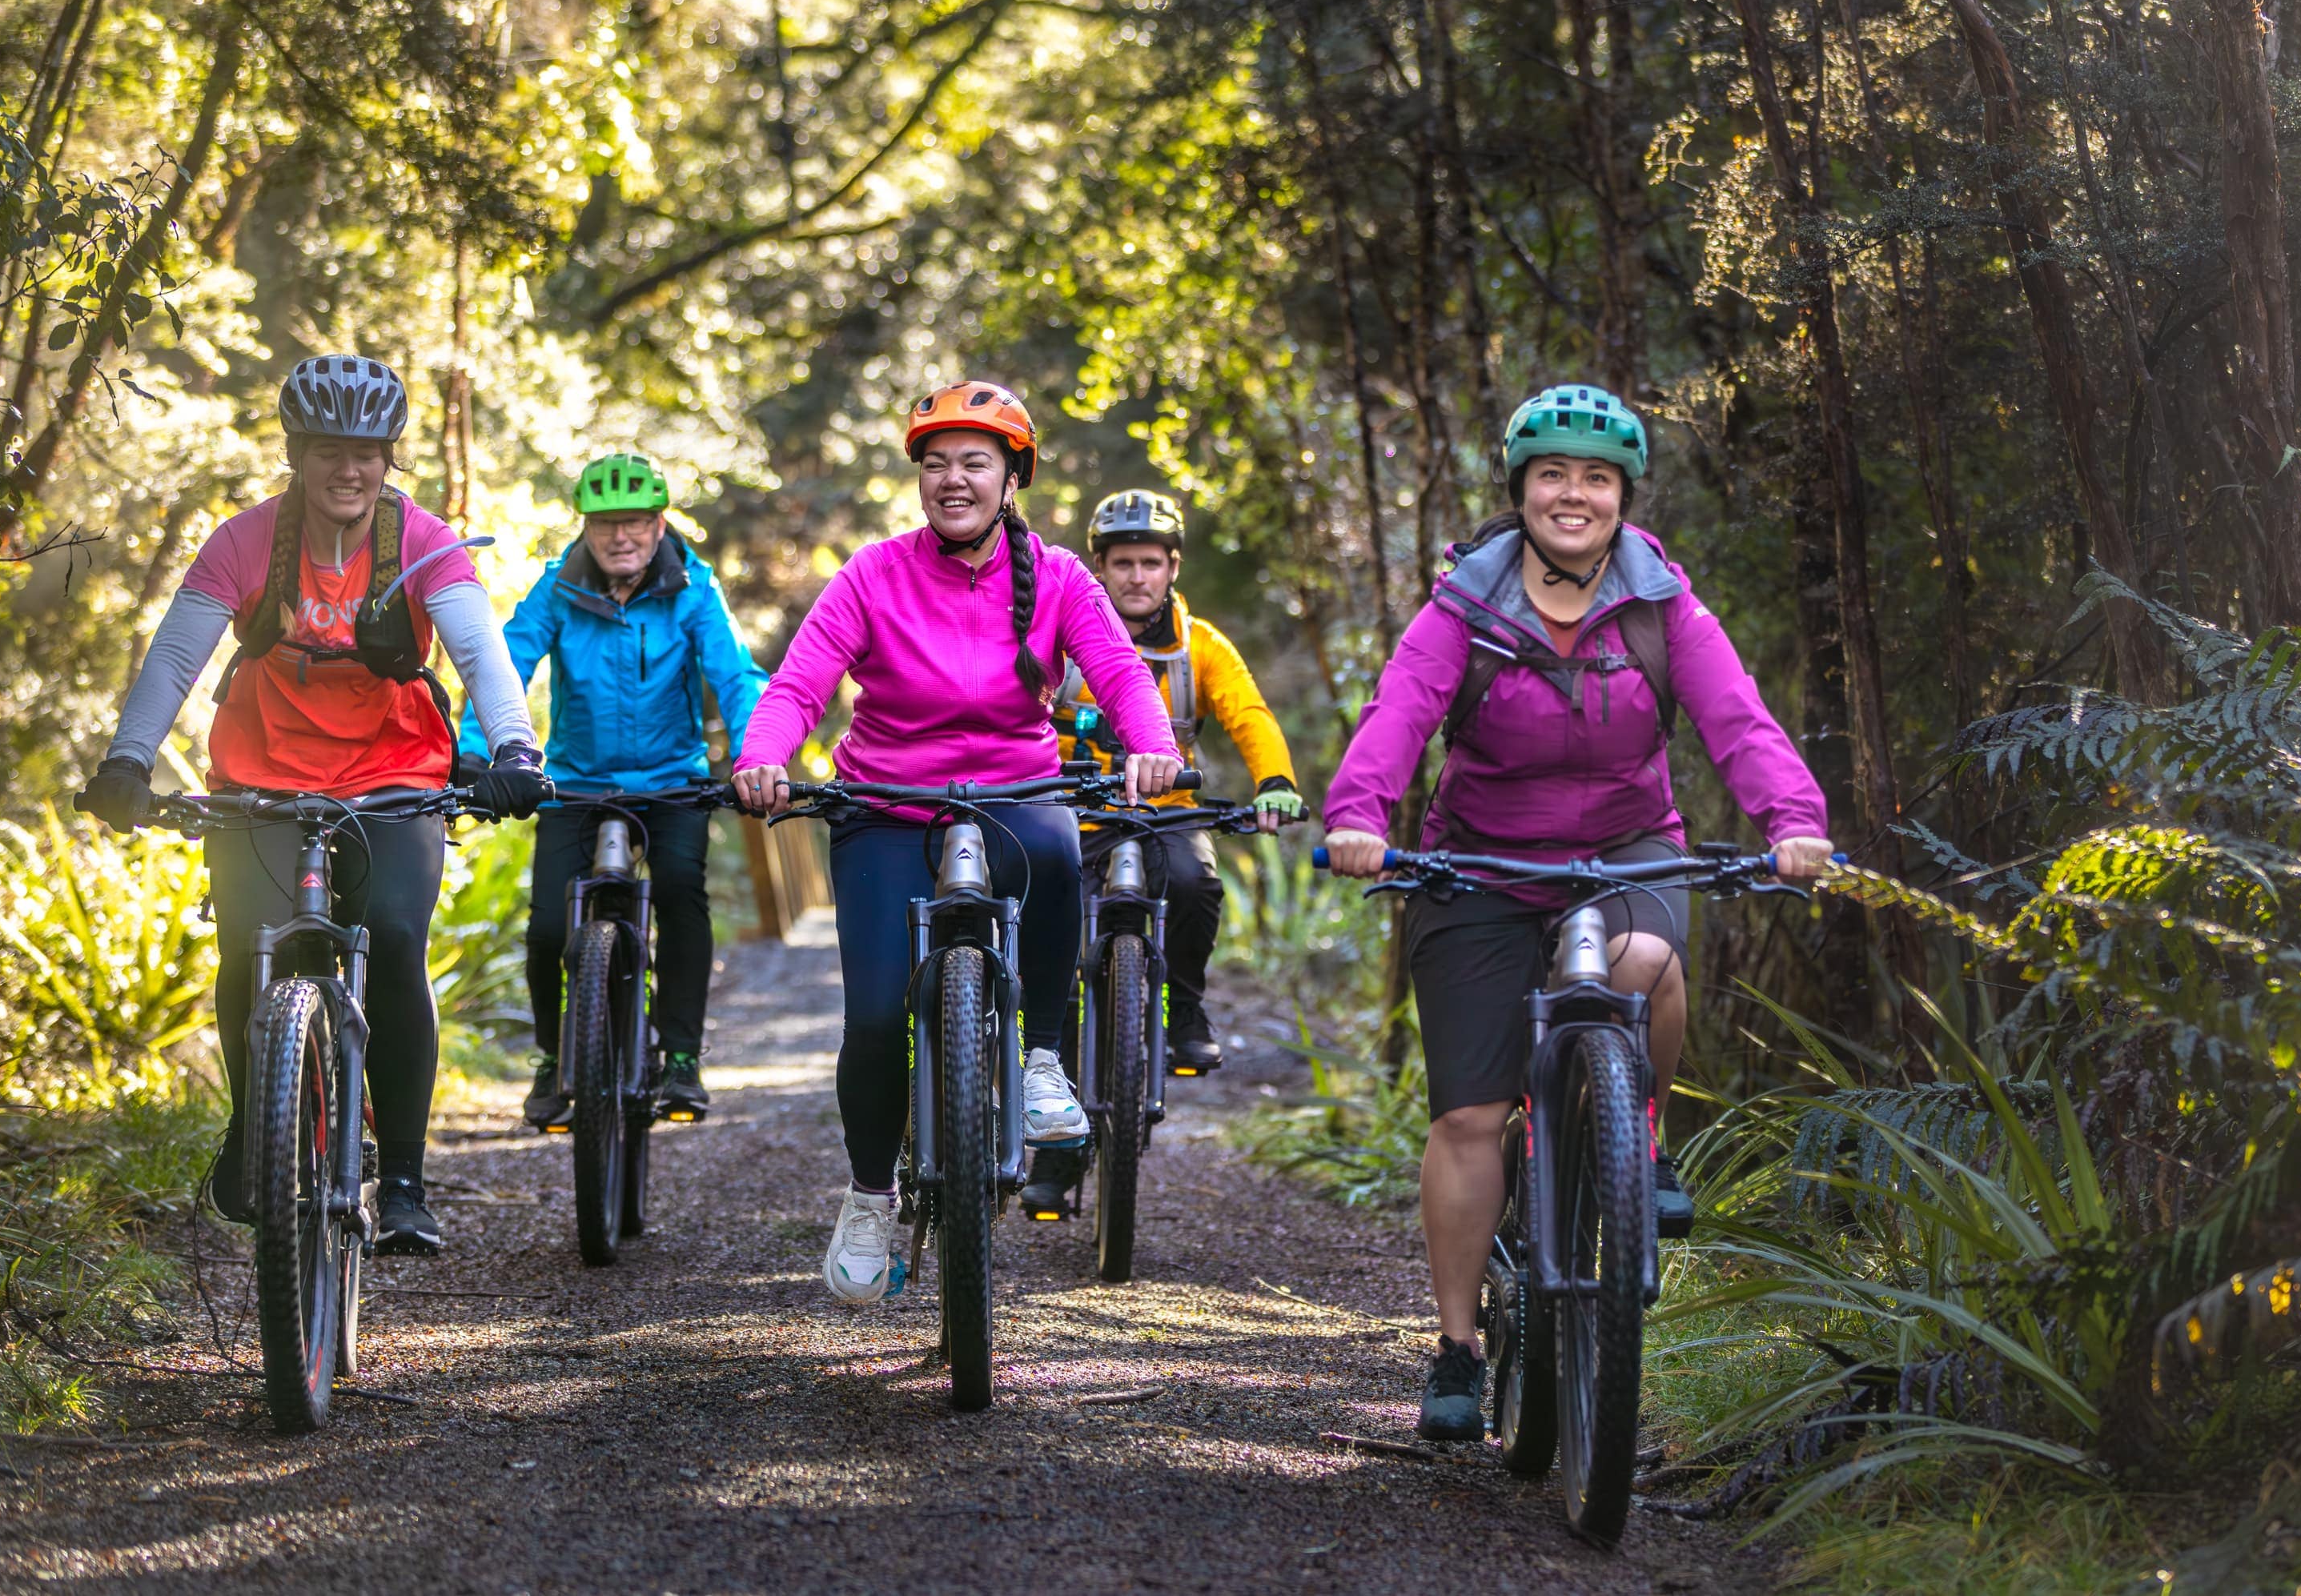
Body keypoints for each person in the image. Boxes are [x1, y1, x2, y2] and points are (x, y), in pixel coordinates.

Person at [1318, 383, 1834, 1443]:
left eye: (1595, 478)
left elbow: (1738, 718)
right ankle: (1459, 1346)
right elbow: (1400, 711)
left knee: (1648, 952)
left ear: (1620, 497)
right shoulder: (1465, 602)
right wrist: (1358, 814)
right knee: (1467, 1116)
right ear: (1521, 491)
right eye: (1553, 474)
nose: (1574, 494)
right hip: (1480, 863)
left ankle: (1638, 1139)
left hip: (1626, 848)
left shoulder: (1662, 605)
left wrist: (1794, 818)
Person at [77, 355, 552, 1255]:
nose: (351, 469)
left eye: (369, 452)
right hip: (262, 776)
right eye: (331, 449)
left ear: (388, 459)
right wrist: (127, 760)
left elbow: (483, 655)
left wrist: (517, 750)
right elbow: (175, 658)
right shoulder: (243, 542)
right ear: (297, 454)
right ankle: (258, 1128)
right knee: (247, 953)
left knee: (399, 943)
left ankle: (404, 1180)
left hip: (395, 775)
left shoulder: (425, 540)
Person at [731, 381, 1185, 1304]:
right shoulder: (871, 574)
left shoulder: (1059, 577)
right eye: (935, 464)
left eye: (974, 462)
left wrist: (1154, 748)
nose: (952, 480)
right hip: (887, 803)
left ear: (1011, 475)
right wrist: (763, 756)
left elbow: (1120, 675)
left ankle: (1043, 1059)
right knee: (870, 1019)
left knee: (1060, 852)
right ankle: (867, 1199)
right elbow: (798, 685)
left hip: (1017, 791)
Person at [455, 452, 769, 1130]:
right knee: (544, 930)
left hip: (672, 782)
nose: (619, 537)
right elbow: (506, 664)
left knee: (683, 891)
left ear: (659, 524)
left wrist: (757, 755)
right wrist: (478, 753)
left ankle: (682, 1056)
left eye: (633, 523)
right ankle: (550, 1057)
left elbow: (737, 678)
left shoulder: (694, 589)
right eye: (604, 526)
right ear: (587, 530)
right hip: (575, 784)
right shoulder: (557, 590)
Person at [1050, 489, 1307, 1077]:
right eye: (1122, 563)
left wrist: (1274, 781)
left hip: (1167, 811)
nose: (1137, 576)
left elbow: (1249, 715)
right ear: (1100, 568)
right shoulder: (1063, 641)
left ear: (1172, 568)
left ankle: (1184, 1008)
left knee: (1195, 884)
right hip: (1070, 809)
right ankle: (1050, 1071)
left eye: (1150, 562)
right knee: (1053, 921)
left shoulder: (1202, 647)